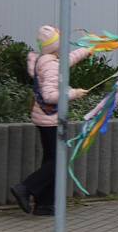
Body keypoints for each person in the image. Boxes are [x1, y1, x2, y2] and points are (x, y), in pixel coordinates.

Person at [10, 25, 91, 216]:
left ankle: (44, 204)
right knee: (59, 160)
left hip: (43, 118)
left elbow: (67, 61)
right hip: (50, 119)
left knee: (51, 159)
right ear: (56, 45)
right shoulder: (51, 65)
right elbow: (49, 96)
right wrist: (74, 93)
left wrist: (88, 50)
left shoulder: (44, 60)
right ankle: (25, 188)